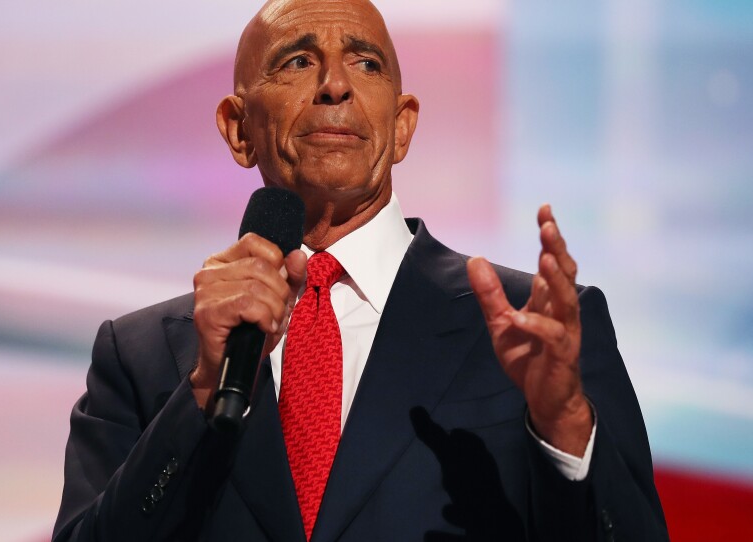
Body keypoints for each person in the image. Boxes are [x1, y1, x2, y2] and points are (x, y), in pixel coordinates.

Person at [53, 0, 668, 540]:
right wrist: (199, 397)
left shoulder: (533, 328)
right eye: (297, 61)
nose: (334, 86)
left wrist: (564, 428)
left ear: (402, 127)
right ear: (239, 130)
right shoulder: (141, 356)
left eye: (366, 63)